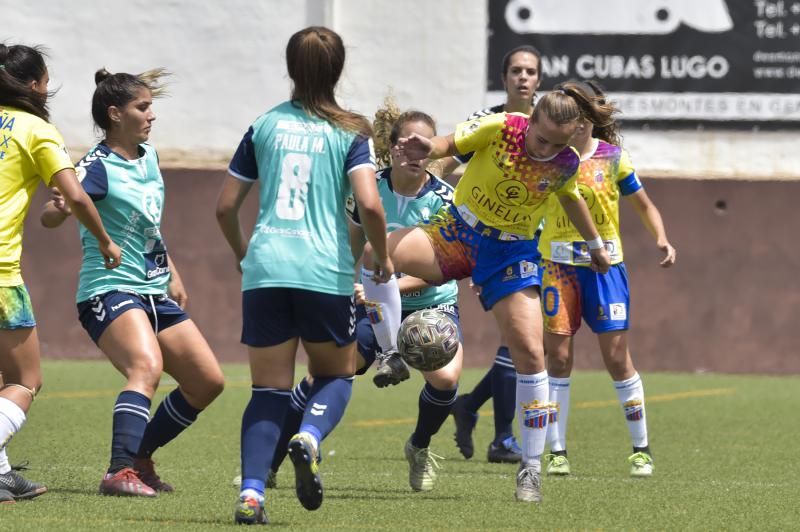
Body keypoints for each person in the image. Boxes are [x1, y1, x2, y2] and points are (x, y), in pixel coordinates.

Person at [360, 86, 616, 503]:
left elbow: (570, 198)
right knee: (376, 252)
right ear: (529, 122)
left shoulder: (566, 163)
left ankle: (531, 469)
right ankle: (390, 352)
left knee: (532, 355)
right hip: (457, 232)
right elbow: (450, 144)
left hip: (510, 253)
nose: (546, 149)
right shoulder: (500, 127)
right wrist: (429, 146)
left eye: (557, 143)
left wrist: (595, 245)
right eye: (541, 138)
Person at [216, 26, 391, 525]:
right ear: (338, 70)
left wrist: (242, 252)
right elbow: (372, 206)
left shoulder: (265, 125)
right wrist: (382, 256)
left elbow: (225, 207)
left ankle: (251, 494)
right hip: (324, 270)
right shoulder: (352, 131)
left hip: (267, 269)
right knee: (336, 372)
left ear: (290, 68)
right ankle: (309, 436)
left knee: (268, 391)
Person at [40, 67, 224, 497]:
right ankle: (118, 471)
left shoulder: (151, 157)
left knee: (207, 381)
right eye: (142, 107)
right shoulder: (94, 167)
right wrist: (58, 209)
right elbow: (55, 213)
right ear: (115, 114)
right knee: (146, 368)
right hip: (108, 288)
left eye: (150, 106)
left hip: (153, 289)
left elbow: (146, 227)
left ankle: (140, 458)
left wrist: (172, 271)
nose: (151, 115)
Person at [268, 99, 463, 493]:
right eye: (407, 143)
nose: (415, 152)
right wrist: (347, 289)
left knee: (445, 378)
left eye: (424, 144)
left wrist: (383, 283)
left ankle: (419, 446)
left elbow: (437, 272)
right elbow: (352, 249)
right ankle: (270, 462)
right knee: (330, 371)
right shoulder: (368, 189)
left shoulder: (446, 201)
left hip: (430, 303)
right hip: (371, 304)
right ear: (392, 147)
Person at [0, 44, 121, 503]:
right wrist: (106, 241)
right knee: (26, 379)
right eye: (46, 80)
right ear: (34, 86)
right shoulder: (36, 130)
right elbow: (77, 195)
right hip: (1, 276)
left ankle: (3, 475)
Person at [538, 80, 676, 478]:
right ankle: (557, 451)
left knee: (616, 357)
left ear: (586, 118)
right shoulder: (548, 158)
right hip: (556, 266)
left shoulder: (614, 159)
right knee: (558, 358)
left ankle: (641, 449)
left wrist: (662, 238)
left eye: (575, 112)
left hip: (606, 267)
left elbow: (645, 206)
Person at [445, 44, 543, 465]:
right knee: (518, 344)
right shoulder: (490, 124)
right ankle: (503, 436)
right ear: (504, 78)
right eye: (516, 70)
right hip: (492, 242)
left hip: (541, 241)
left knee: (524, 345)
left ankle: (472, 408)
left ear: (539, 80)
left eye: (531, 71)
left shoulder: (549, 126)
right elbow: (446, 162)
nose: (523, 77)